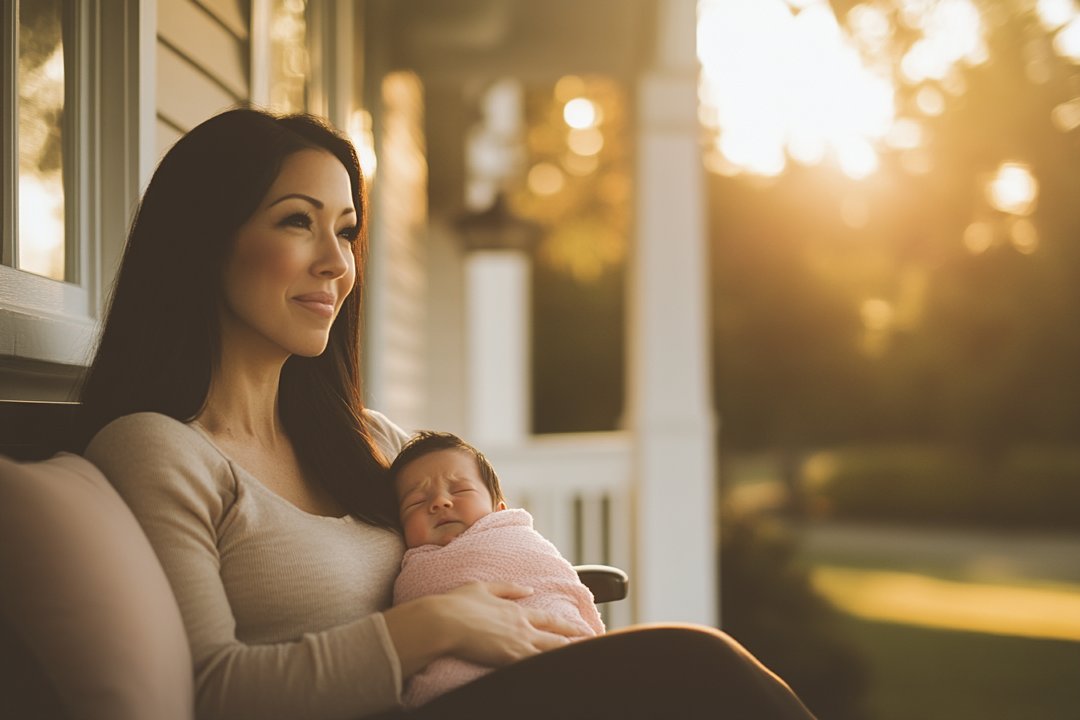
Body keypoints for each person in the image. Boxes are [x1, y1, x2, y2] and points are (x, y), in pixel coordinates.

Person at [78, 106, 819, 720]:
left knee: (697, 675)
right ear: (209, 243)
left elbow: (497, 551)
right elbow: (207, 692)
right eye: (297, 222)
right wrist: (434, 624)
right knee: (698, 667)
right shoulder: (160, 451)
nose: (337, 263)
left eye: (344, 230)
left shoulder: (376, 442)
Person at [390, 431, 604, 707]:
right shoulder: (416, 570)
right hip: (465, 693)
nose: (440, 502)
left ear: (499, 509)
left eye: (460, 490)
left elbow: (553, 579)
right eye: (416, 502)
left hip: (554, 655)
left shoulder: (515, 537)